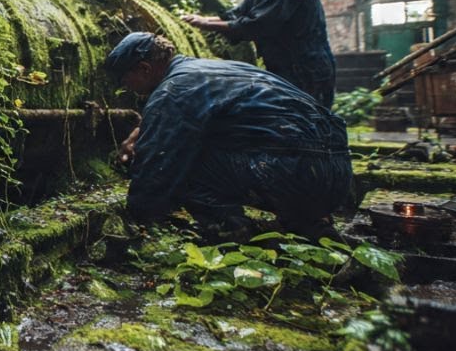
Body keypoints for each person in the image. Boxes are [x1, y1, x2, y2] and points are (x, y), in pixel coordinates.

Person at [107, 32, 353, 241]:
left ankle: (230, 229)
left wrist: (136, 216)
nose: (126, 88)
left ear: (144, 68)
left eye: (125, 80)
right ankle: (309, 224)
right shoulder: (215, 68)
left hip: (294, 172)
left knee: (182, 160)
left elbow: (159, 165)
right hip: (336, 173)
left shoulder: (173, 90)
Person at [180, 0, 336, 108]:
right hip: (288, 65)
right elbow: (242, 12)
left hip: (303, 66)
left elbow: (261, 24)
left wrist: (209, 26)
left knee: (309, 121)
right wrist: (204, 20)